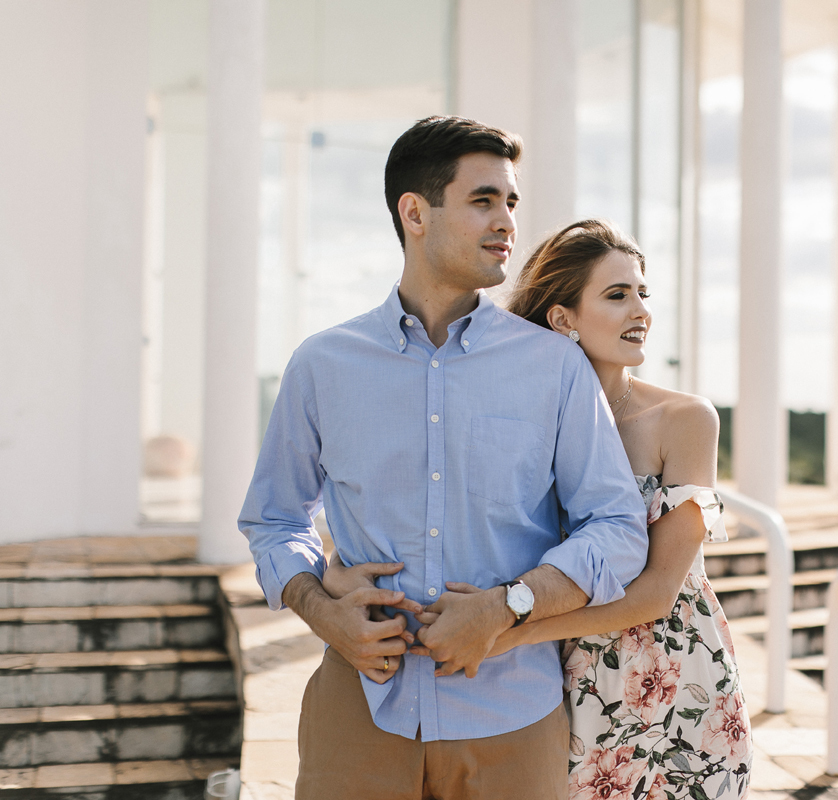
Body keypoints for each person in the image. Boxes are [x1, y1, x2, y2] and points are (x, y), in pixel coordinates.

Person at [239, 117, 649, 800]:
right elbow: (274, 518)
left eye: (511, 202)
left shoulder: (554, 367)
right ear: (415, 213)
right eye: (483, 200)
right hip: (358, 710)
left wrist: (507, 606)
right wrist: (320, 609)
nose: (506, 221)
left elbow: (617, 526)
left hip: (512, 717)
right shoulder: (322, 365)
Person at [333, 220, 753, 798]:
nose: (641, 311)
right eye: (617, 295)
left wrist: (505, 630)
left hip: (670, 678)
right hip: (550, 682)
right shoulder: (522, 418)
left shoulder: (683, 420)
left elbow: (658, 594)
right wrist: (337, 571)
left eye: (642, 293)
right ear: (562, 319)